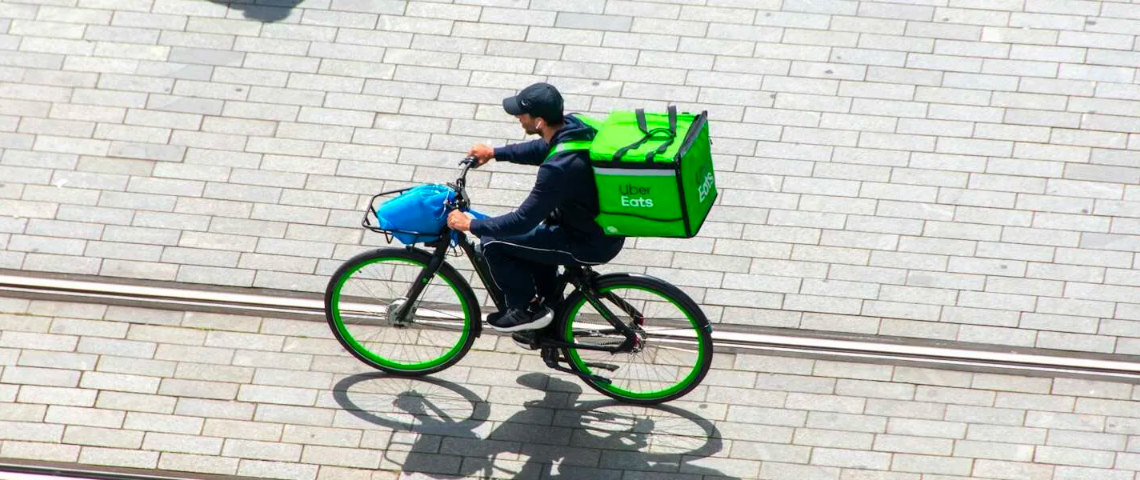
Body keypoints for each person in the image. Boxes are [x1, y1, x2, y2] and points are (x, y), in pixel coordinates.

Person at [446, 82, 625, 333]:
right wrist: (494, 152)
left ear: (539, 121)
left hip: (586, 243)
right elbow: (542, 148)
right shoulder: (574, 126)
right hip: (599, 229)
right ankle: (550, 307)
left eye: (522, 114)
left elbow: (522, 220)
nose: (518, 117)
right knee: (530, 242)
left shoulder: (559, 169)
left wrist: (471, 225)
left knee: (493, 241)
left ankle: (523, 310)